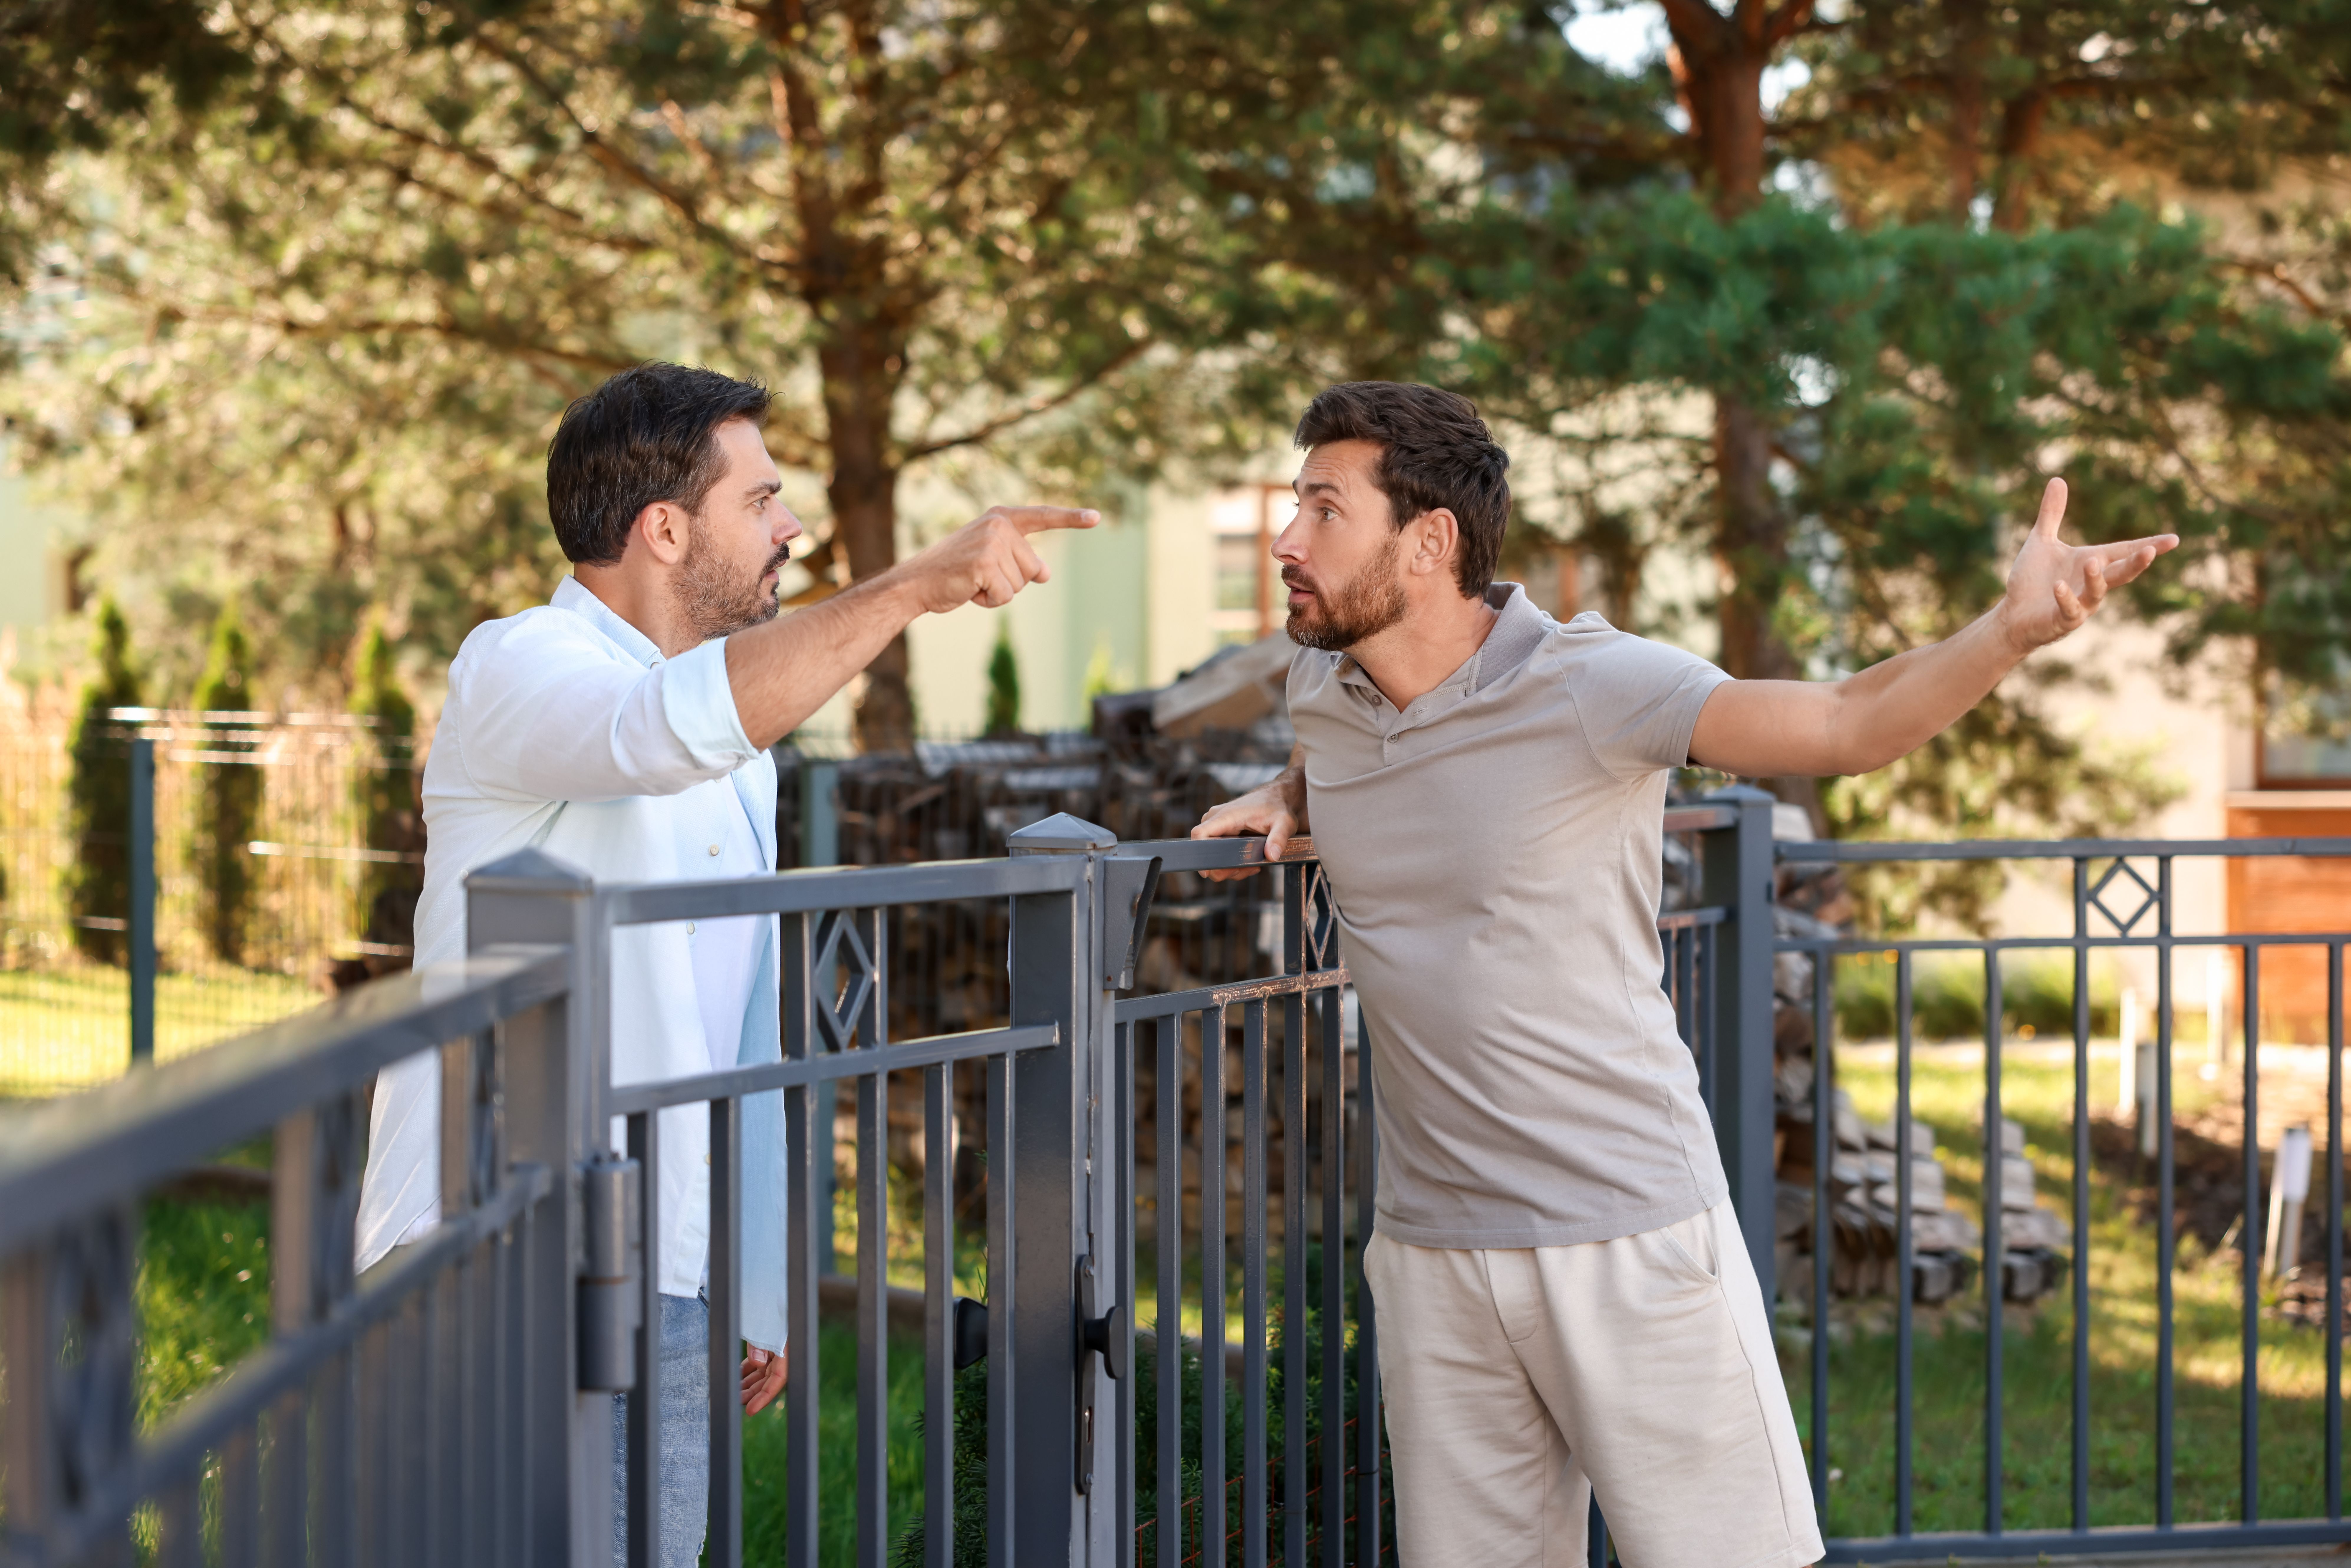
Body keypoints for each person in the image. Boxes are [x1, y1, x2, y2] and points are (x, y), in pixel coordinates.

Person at [1192, 381, 2174, 1568]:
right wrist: (1288, 797)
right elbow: (1356, 755)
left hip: (1626, 1231)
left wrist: (2005, 630)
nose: (1285, 541)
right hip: (1430, 1247)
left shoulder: (1592, 684)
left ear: (1429, 541)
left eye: (1321, 509)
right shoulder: (1326, 693)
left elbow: (1841, 722)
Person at [354, 361, 1095, 1566]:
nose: (792, 527)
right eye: (762, 500)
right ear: (662, 527)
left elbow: (737, 1026)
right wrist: (908, 588)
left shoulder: (741, 749)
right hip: (498, 1252)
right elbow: (658, 731)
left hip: (666, 1266)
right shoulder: (518, 664)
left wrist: (749, 1279)